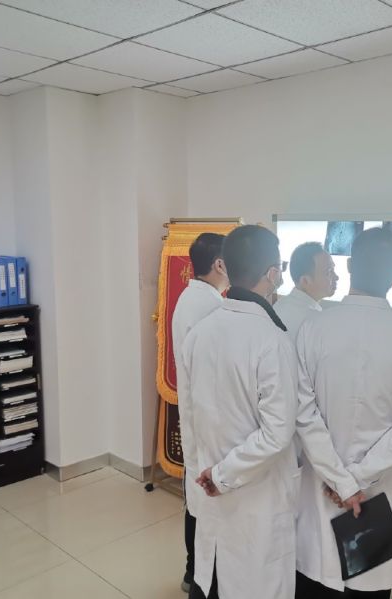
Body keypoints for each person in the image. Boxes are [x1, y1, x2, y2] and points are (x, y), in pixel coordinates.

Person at [294, 227, 392, 598]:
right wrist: (356, 481)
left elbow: (303, 414)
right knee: (368, 588)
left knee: (315, 582)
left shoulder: (312, 329)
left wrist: (342, 481)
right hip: (375, 498)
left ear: (350, 265)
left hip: (324, 490)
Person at [181, 225, 299, 599]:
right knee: (252, 581)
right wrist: (222, 475)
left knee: (215, 579)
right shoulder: (272, 340)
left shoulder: (201, 333)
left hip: (210, 484)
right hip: (251, 494)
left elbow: (189, 415)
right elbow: (277, 433)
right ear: (273, 273)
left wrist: (204, 475)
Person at [173, 233, 228, 596]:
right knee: (203, 501)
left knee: (195, 498)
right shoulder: (210, 307)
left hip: (197, 415)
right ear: (220, 264)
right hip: (207, 419)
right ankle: (198, 575)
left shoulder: (191, 297)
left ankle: (193, 571)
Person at [274, 242, 338, 343]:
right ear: (305, 281)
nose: (336, 277)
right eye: (328, 272)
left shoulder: (279, 305)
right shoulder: (314, 320)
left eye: (333, 270)